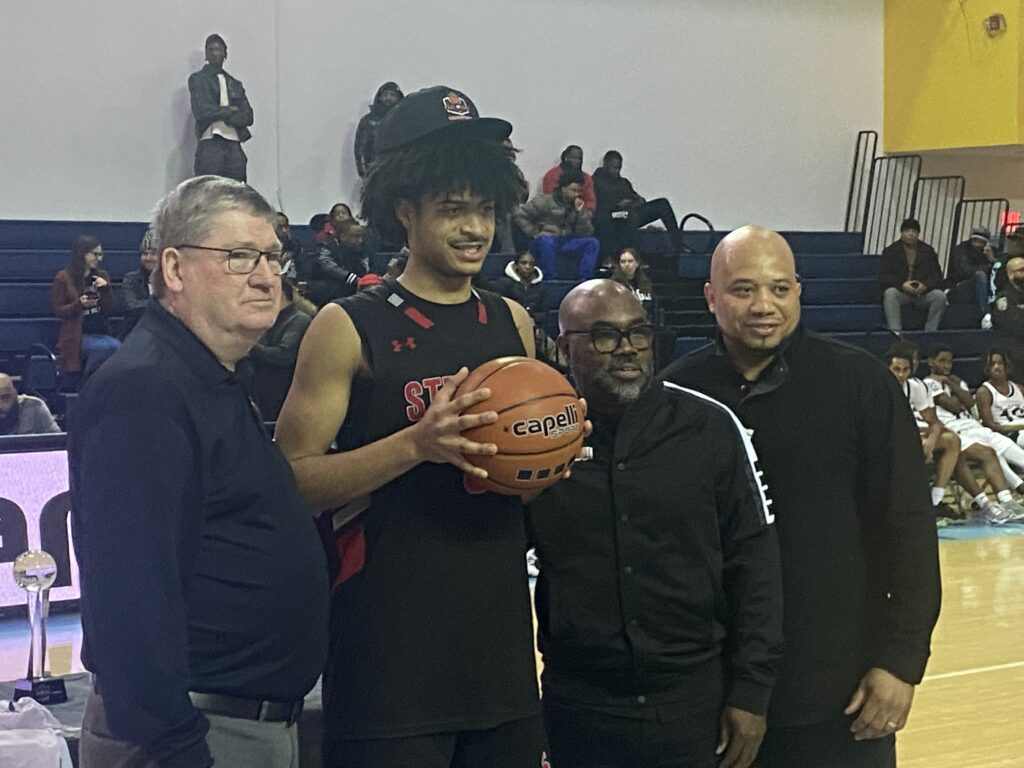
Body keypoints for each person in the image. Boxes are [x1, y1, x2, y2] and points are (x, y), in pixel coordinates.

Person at [274, 85, 545, 768]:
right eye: (452, 209)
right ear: (404, 209)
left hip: (501, 653)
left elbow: (524, 489)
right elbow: (289, 483)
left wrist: (547, 461)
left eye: (484, 209)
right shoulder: (347, 326)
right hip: (387, 657)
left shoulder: (512, 321)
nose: (475, 228)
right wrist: (415, 445)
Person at [69, 176, 328, 768]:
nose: (267, 276)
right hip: (192, 735)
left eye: (272, 257)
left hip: (237, 722)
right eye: (239, 257)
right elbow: (130, 598)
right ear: (175, 268)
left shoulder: (206, 376)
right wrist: (179, 749)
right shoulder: (147, 390)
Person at [662, 226, 941, 768]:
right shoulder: (676, 396)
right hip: (712, 696)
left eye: (779, 288)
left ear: (799, 291)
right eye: (743, 289)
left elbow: (907, 527)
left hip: (841, 691)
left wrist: (902, 660)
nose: (764, 305)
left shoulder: (862, 385)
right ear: (711, 297)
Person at [527, 280, 782, 768]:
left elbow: (756, 566)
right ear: (564, 347)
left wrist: (752, 692)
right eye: (605, 336)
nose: (627, 349)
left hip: (694, 704)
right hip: (579, 708)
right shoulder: (539, 439)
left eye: (638, 333)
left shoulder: (711, 427)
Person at [243, 276, 312, 421]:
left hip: (282, 394)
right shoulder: (266, 319)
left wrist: (247, 345)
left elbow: (284, 355)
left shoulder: (299, 320)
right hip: (260, 391)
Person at [51, 235, 120, 380]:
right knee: (100, 349)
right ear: (82, 254)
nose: (99, 258)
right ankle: (89, 383)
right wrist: (79, 304)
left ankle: (106, 384)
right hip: (76, 334)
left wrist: (106, 289)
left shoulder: (101, 276)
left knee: (118, 347)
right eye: (95, 254)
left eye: (100, 254)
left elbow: (109, 308)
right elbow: (60, 311)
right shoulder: (63, 277)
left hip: (100, 331)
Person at [513, 169, 599, 281]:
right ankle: (550, 280)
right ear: (563, 188)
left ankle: (584, 280)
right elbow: (520, 215)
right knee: (546, 242)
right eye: (573, 190)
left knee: (592, 243)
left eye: (579, 191)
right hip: (544, 240)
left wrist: (580, 213)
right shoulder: (545, 201)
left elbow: (586, 232)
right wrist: (533, 232)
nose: (576, 194)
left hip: (565, 240)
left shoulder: (577, 205)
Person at [188, 34, 254, 182]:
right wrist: (230, 110)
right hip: (210, 140)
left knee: (238, 192)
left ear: (225, 54)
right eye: (211, 50)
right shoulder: (198, 79)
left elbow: (248, 116)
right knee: (209, 191)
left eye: (219, 49)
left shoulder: (235, 83)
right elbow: (201, 111)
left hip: (234, 143)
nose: (215, 53)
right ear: (206, 54)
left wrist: (221, 113)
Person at [592, 149, 682, 255]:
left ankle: (678, 246)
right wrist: (618, 206)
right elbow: (598, 207)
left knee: (662, 204)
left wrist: (634, 201)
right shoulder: (596, 181)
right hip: (610, 217)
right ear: (606, 165)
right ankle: (633, 255)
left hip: (630, 212)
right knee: (629, 216)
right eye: (614, 168)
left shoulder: (623, 182)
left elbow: (639, 199)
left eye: (619, 168)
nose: (617, 172)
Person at [878, 218, 946, 332]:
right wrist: (902, 285)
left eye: (914, 231)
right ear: (902, 233)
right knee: (890, 294)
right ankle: (895, 331)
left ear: (918, 234)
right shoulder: (891, 251)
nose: (911, 234)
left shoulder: (928, 251)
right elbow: (884, 276)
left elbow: (937, 276)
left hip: (922, 293)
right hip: (901, 292)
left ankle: (931, 331)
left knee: (940, 296)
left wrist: (925, 286)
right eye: (907, 231)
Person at [946, 226, 996, 328]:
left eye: (980, 242)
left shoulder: (991, 252)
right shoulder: (962, 249)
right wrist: (988, 266)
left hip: (981, 288)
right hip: (958, 288)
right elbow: (965, 271)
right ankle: (985, 313)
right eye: (975, 240)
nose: (977, 244)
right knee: (980, 276)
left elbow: (1000, 271)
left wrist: (993, 260)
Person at [354, 81, 403, 178]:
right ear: (379, 97)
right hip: (375, 173)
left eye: (392, 95)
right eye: (385, 94)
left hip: (400, 174)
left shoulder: (403, 120)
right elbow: (360, 150)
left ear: (398, 98)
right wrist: (365, 175)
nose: (388, 98)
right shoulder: (368, 121)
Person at [976, 349, 1024, 446]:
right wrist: (1020, 427)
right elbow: (990, 425)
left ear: (1007, 366)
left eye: (1000, 363)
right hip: (1009, 434)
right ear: (987, 368)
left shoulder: (1019, 388)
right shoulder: (984, 392)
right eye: (992, 364)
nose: (997, 367)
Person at [120, 227, 159, 338]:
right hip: (135, 332)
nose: (148, 258)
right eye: (145, 253)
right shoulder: (131, 279)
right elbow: (131, 305)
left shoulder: (171, 281)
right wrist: (161, 305)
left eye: (153, 253)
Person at [991, 255, 1024, 375]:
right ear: (1010, 275)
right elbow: (1014, 326)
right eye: (1021, 270)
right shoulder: (1003, 299)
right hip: (1012, 353)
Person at [493, 251, 547, 320]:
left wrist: (533, 318)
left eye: (531, 264)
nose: (528, 267)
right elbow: (498, 308)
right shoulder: (503, 284)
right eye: (524, 263)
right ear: (516, 265)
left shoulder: (540, 287)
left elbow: (543, 312)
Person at [541, 144, 596, 210]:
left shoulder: (587, 178)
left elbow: (590, 202)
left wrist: (583, 211)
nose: (577, 162)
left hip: (579, 214)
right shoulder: (552, 175)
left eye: (580, 158)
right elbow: (549, 198)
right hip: (555, 213)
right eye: (574, 158)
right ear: (565, 158)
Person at [611, 247, 654, 312]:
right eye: (623, 262)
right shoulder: (613, 285)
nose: (626, 264)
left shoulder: (645, 283)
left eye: (630, 261)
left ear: (637, 263)